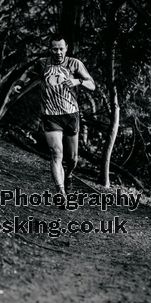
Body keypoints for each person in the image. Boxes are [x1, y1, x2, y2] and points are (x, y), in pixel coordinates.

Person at [39, 34, 95, 204]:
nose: (58, 52)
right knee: (56, 153)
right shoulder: (42, 63)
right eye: (54, 49)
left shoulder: (74, 64)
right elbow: (27, 76)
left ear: (66, 48)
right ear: (50, 49)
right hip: (50, 115)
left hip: (70, 114)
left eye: (61, 48)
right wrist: (19, 84)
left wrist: (78, 81)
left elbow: (92, 84)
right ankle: (61, 193)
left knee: (72, 159)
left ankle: (69, 174)